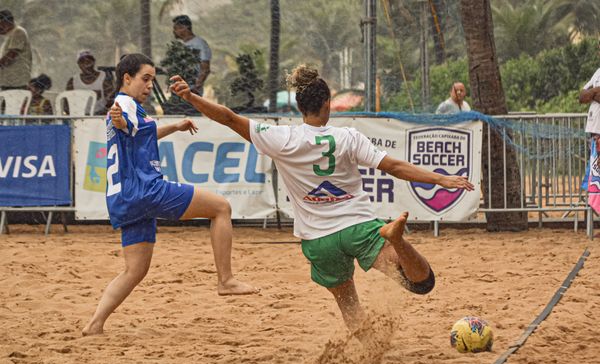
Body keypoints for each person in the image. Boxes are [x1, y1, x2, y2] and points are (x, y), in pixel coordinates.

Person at [169, 65, 474, 333]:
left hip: (318, 239)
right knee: (421, 282)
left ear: (300, 107)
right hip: (359, 227)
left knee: (350, 306)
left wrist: (191, 97)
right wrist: (440, 178)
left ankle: (366, 355)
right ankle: (398, 241)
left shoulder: (281, 137)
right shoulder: (347, 137)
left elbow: (228, 118)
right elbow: (394, 167)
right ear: (328, 104)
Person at [82, 54, 258, 336]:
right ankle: (226, 280)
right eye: (146, 78)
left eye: (153, 79)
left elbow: (137, 132)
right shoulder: (124, 105)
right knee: (221, 208)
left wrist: (174, 126)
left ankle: (95, 324)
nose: (150, 85)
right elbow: (124, 124)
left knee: (135, 270)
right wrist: (119, 121)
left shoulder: (129, 108)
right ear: (127, 78)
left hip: (124, 199)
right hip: (146, 191)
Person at [579, 53, 600, 215]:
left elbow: (589, 95)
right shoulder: (598, 72)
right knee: (596, 179)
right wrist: (595, 91)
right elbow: (582, 96)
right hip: (594, 134)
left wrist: (592, 93)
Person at [172, 15, 211, 96]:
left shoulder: (200, 43)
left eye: (176, 28)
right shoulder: (181, 45)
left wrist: (196, 87)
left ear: (185, 27)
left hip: (192, 90)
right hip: (179, 89)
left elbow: (205, 68)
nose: (174, 31)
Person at [66, 50, 115, 115]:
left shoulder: (104, 78)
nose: (86, 64)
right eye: (82, 62)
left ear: (94, 62)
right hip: (77, 118)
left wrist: (101, 113)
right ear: (79, 64)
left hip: (99, 118)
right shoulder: (72, 81)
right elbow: (66, 105)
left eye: (89, 61)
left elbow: (111, 100)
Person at [0, 9, 32, 90]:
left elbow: (11, 55)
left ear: (5, 22)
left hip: (17, 82)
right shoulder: (10, 35)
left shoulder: (18, 32)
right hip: (8, 81)